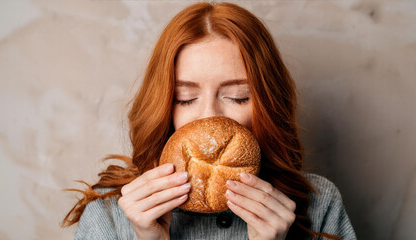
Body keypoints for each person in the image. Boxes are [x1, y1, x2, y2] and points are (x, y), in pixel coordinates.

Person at [62, 2, 356, 240]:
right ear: (163, 107)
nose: (209, 116)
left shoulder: (318, 203)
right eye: (185, 98)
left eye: (238, 97)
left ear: (268, 104)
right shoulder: (111, 212)